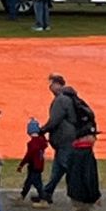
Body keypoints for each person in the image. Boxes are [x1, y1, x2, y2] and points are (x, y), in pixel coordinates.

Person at [52, 124, 105, 211]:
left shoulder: (73, 152)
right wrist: (95, 196)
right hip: (84, 194)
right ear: (86, 138)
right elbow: (90, 178)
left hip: (75, 192)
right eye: (93, 136)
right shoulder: (87, 154)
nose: (95, 139)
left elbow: (69, 174)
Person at [42, 75, 79, 203]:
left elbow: (55, 120)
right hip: (66, 139)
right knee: (58, 168)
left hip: (65, 139)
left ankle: (78, 194)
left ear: (58, 84)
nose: (50, 86)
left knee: (67, 166)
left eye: (51, 83)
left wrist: (42, 130)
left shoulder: (61, 100)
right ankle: (47, 192)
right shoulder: (68, 98)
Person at [19, 118, 47, 202]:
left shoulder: (32, 144)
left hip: (33, 166)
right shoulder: (42, 141)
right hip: (39, 165)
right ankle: (22, 196)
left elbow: (28, 156)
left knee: (36, 183)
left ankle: (44, 199)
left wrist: (21, 165)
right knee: (29, 182)